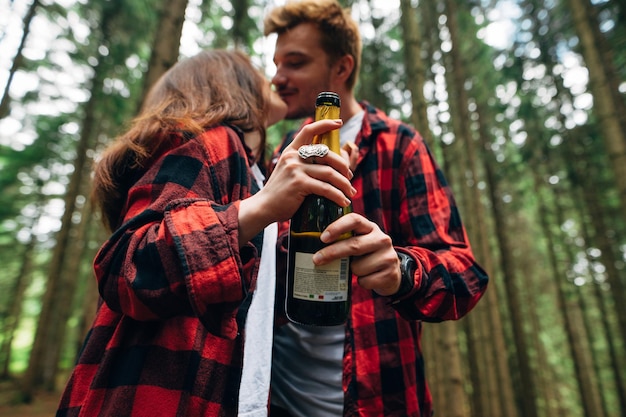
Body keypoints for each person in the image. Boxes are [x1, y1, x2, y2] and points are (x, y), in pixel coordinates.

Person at [55, 49, 357, 417]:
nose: (275, 79)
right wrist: (261, 208)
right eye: (261, 72)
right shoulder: (211, 141)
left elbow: (251, 301)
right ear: (232, 85)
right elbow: (127, 266)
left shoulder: (252, 173)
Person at [263, 1, 489, 416]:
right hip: (275, 402)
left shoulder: (398, 146)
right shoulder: (279, 159)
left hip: (379, 401)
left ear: (341, 68)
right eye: (276, 64)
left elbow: (466, 276)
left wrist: (401, 271)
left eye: (295, 63)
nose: (278, 78)